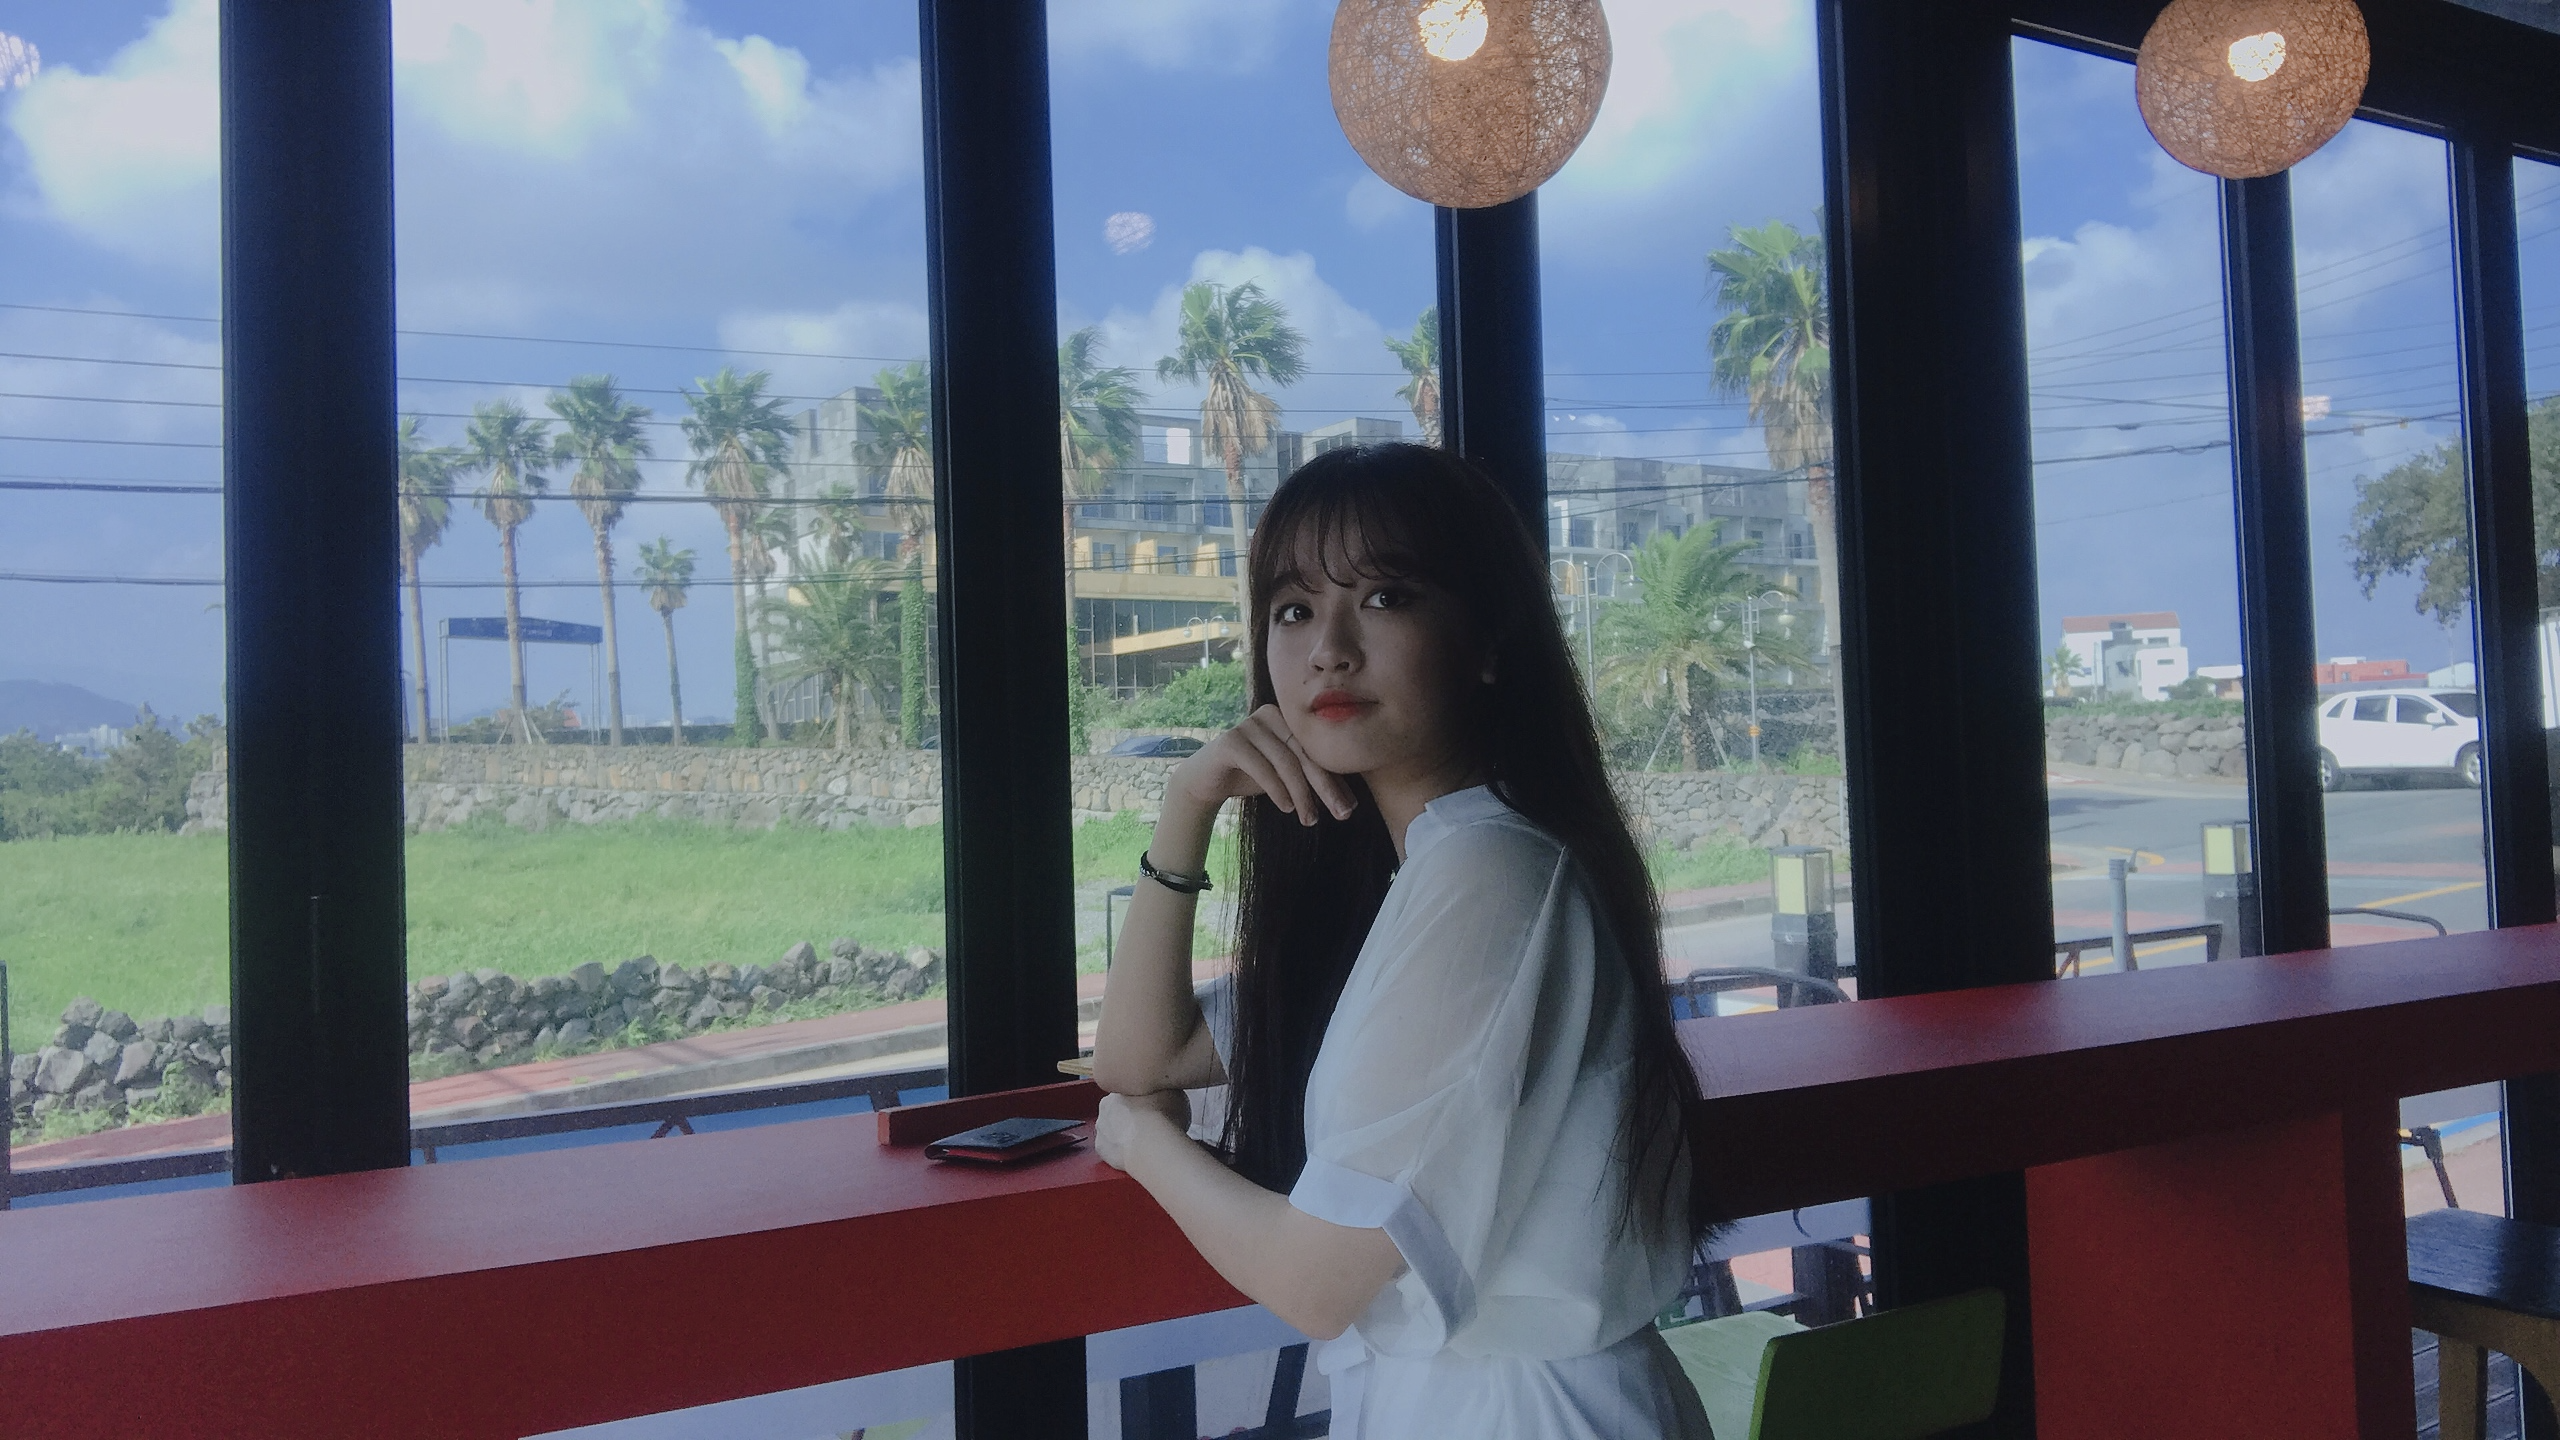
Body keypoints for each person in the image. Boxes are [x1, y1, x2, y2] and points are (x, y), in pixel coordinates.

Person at [1092, 444, 1714, 1439]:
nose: (1328, 649)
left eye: (1384, 597)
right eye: (1293, 609)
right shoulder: (1421, 875)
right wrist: (1186, 804)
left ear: (1487, 642)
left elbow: (1316, 1281)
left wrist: (1141, 1141)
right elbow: (1141, 1057)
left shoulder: (1490, 870)